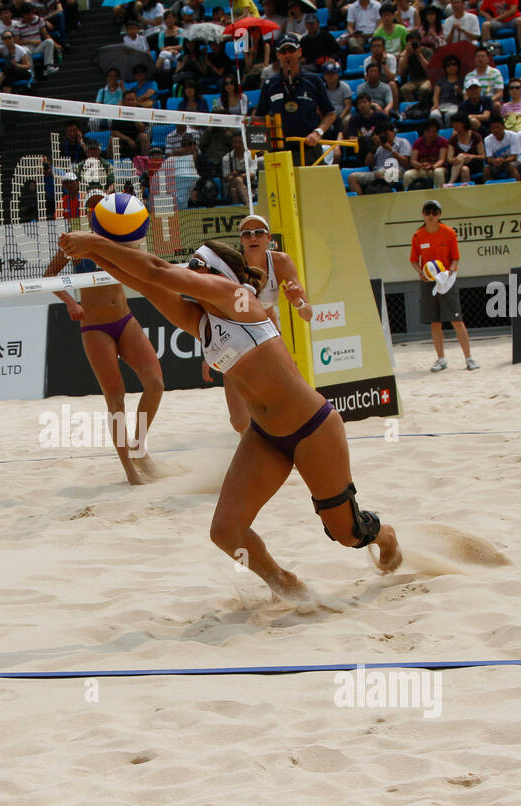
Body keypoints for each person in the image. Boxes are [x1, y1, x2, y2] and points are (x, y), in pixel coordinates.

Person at [56, 230, 404, 596]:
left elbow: (157, 271)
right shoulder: (200, 320)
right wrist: (97, 258)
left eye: (195, 266)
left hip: (313, 428)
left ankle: (384, 533)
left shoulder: (238, 297)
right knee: (224, 531)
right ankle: (284, 583)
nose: (188, 272)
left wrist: (95, 243)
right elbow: (146, 282)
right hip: (265, 437)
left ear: (219, 273)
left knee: (346, 534)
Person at [42, 191, 164, 485]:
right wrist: (71, 302)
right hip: (95, 327)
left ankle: (138, 445)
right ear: (89, 215)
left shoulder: (121, 242)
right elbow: (49, 277)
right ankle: (130, 471)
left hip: (124, 319)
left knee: (156, 384)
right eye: (92, 208)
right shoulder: (74, 244)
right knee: (116, 398)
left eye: (101, 206)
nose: (96, 211)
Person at [201, 214, 316, 433]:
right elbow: (212, 308)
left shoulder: (281, 261)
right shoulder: (231, 265)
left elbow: (308, 315)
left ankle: (284, 448)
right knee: (239, 421)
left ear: (268, 238)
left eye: (259, 232)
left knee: (283, 403)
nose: (253, 237)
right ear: (241, 240)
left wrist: (298, 302)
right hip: (233, 336)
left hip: (267, 335)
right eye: (246, 233)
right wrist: (207, 352)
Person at [411, 199, 477, 372]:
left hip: (447, 281)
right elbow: (413, 260)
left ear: (439, 215)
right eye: (427, 212)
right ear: (423, 215)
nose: (431, 215)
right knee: (435, 322)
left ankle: (469, 358)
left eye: (434, 212)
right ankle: (441, 359)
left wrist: (449, 272)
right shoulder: (418, 235)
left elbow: (455, 258)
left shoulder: (449, 233)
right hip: (428, 282)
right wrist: (421, 273)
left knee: (457, 320)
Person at [254, 37, 337, 164]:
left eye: (291, 50)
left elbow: (330, 113)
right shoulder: (269, 84)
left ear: (299, 52)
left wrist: (317, 133)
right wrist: (262, 142)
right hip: (279, 152)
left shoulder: (314, 80)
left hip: (310, 150)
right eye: (283, 51)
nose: (287, 55)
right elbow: (259, 117)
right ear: (278, 55)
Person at [404, 118, 448, 188]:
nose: (431, 134)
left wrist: (433, 166)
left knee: (438, 172)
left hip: (437, 168)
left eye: (433, 131)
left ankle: (440, 195)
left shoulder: (443, 141)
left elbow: (442, 160)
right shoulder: (418, 142)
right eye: (428, 131)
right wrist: (421, 165)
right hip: (421, 169)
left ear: (437, 132)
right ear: (424, 132)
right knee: (408, 174)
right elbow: (413, 161)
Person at [482, 113, 521, 179]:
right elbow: (489, 159)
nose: (496, 130)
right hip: (498, 164)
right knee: (486, 169)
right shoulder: (487, 140)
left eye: (498, 127)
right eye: (493, 128)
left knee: (511, 166)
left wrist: (503, 161)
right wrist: (494, 161)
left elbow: (514, 157)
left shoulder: (513, 135)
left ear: (503, 127)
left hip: (514, 161)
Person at [446, 111, 486, 183]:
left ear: (463, 123)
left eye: (457, 123)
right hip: (457, 166)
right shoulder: (452, 139)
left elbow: (483, 156)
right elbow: (449, 158)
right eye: (453, 123)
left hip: (474, 165)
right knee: (464, 168)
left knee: (462, 158)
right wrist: (455, 160)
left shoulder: (476, 137)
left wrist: (471, 157)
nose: (454, 126)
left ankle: (450, 183)